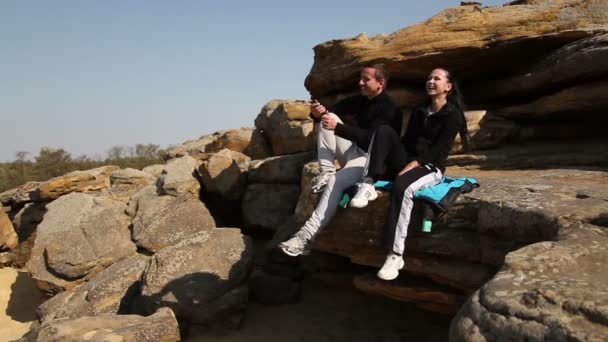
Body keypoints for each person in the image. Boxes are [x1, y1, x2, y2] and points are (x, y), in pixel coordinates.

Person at [349, 68, 469, 280]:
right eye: (429, 77)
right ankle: (369, 183)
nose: (430, 81)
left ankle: (395, 254)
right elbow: (406, 142)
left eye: (436, 79)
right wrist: (391, 163)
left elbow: (440, 149)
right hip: (409, 161)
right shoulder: (420, 111)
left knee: (402, 187)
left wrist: (415, 163)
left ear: (447, 87)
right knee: (384, 131)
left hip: (431, 167)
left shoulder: (453, 115)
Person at [279, 63, 402, 257]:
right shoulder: (358, 100)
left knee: (337, 181)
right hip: (352, 152)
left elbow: (373, 140)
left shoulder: (391, 108)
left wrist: (339, 128)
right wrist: (318, 113)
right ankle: (326, 170)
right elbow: (329, 115)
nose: (360, 83)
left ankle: (305, 238)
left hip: (370, 161)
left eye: (366, 79)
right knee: (330, 117)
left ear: (381, 83)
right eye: (360, 78)